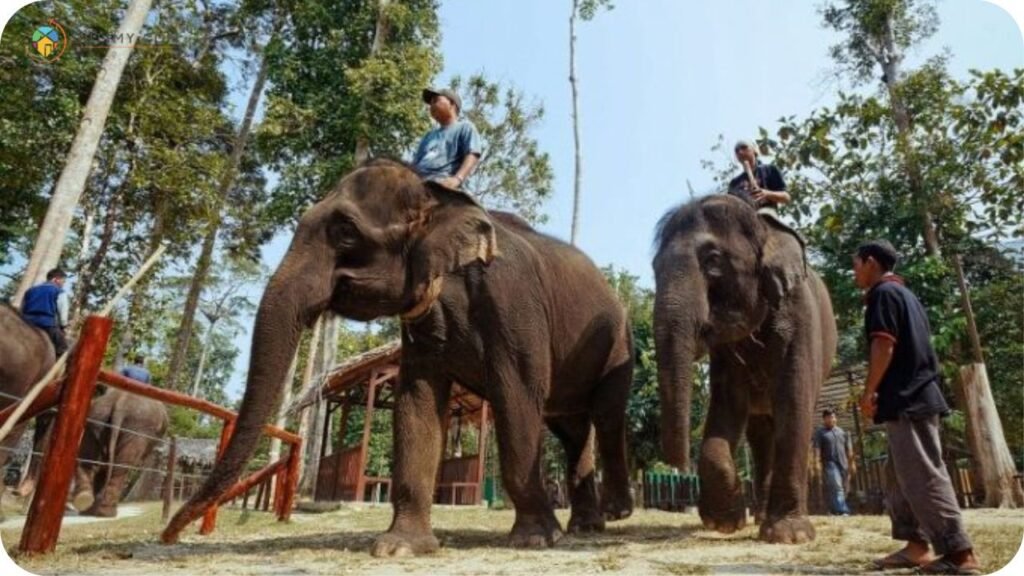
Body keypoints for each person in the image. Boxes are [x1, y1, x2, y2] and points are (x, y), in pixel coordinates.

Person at [854, 240, 981, 575]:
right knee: (899, 477)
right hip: (908, 398)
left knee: (923, 475)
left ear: (870, 262)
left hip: (911, 400)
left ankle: (959, 552)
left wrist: (869, 392)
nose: (854, 272)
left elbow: (884, 345)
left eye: (856, 265)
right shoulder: (906, 296)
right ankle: (916, 546)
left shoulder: (883, 294)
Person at [411, 87, 483, 190]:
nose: (431, 106)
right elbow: (415, 163)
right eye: (430, 104)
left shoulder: (464, 127)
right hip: (418, 183)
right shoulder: (428, 136)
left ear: (452, 104)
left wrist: (457, 179)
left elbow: (473, 153)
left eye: (436, 101)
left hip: (441, 181)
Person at [812, 408, 855, 516]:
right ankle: (843, 510)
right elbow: (816, 448)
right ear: (824, 419)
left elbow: (849, 449)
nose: (831, 419)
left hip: (843, 462)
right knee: (837, 485)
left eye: (833, 417)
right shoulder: (820, 433)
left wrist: (852, 463)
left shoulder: (842, 432)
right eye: (828, 417)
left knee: (842, 487)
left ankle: (834, 510)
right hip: (829, 463)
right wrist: (816, 462)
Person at [727, 139, 791, 210]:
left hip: (767, 215)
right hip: (742, 218)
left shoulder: (769, 170)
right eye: (737, 151)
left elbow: (786, 197)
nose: (740, 152)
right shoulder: (734, 183)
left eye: (744, 147)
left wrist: (766, 194)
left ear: (754, 150)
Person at [20, 268, 70, 356]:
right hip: (46, 324)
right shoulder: (59, 292)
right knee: (63, 348)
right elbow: (63, 312)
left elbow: (22, 307)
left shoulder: (30, 290)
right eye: (63, 281)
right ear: (55, 279)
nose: (63, 284)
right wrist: (63, 325)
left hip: (25, 322)